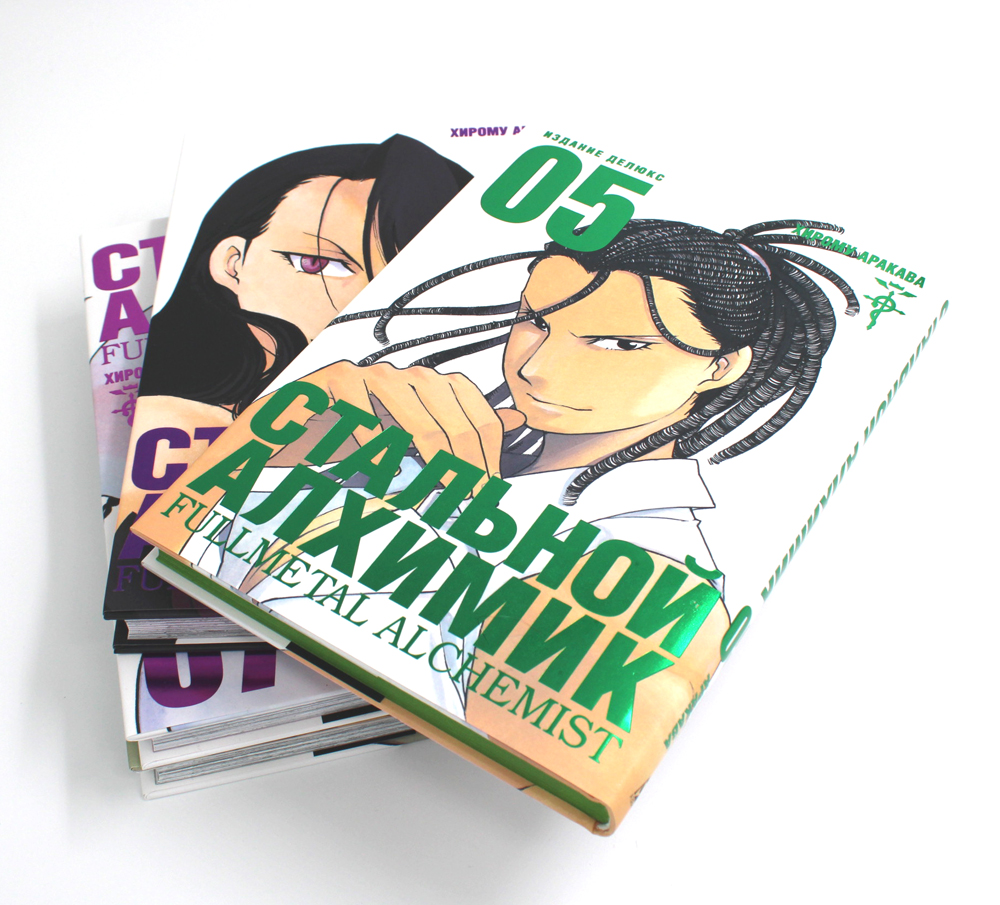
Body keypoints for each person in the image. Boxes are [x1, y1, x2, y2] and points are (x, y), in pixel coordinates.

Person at [181, 218, 860, 737]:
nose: (537, 367)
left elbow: (511, 731)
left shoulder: (657, 570)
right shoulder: (422, 418)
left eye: (617, 344)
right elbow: (187, 544)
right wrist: (282, 441)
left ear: (721, 366)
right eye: (535, 321)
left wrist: (454, 516)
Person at [118, 135, 471, 523]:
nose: (366, 303)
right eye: (319, 264)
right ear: (232, 263)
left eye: (413, 282)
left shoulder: (448, 418)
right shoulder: (168, 421)